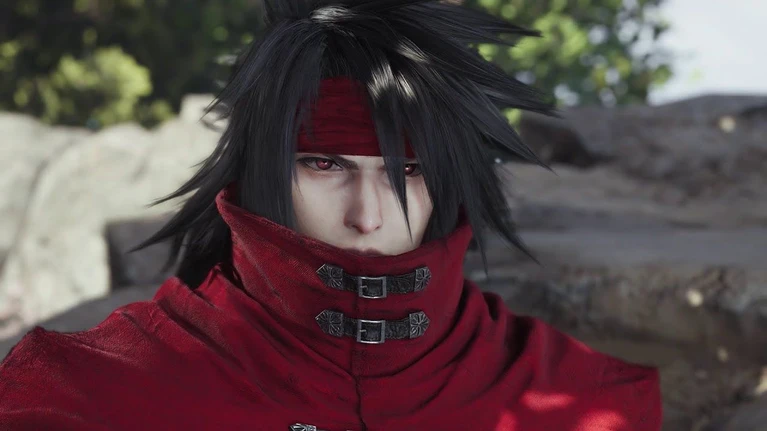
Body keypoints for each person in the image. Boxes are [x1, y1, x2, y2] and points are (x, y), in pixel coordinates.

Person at [0, 0, 662, 429]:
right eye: (325, 164)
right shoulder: (81, 393)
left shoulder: (591, 400)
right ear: (261, 172)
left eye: (408, 172)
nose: (367, 216)